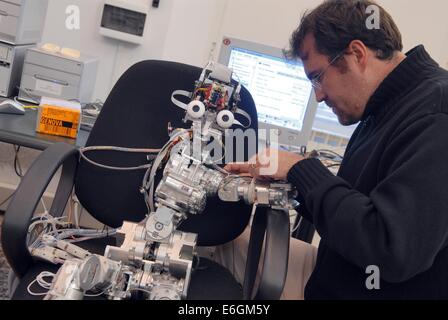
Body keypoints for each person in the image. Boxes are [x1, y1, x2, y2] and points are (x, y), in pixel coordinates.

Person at [219, 0, 448, 299]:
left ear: (356, 54)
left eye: (317, 77)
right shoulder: (385, 107)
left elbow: (390, 249)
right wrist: (291, 182)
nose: (319, 95)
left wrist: (300, 168)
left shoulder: (436, 115)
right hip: (337, 274)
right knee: (221, 243)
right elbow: (354, 206)